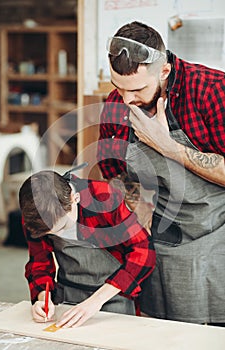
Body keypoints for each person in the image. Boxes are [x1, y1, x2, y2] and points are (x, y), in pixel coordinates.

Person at [96, 21, 225, 325]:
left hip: (217, 237)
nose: (127, 99)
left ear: (164, 71)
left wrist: (168, 147)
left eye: (137, 89)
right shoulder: (117, 105)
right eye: (119, 87)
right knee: (162, 330)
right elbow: (112, 170)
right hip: (161, 238)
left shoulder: (212, 91)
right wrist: (136, 201)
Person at [19, 166, 155, 328]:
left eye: (63, 227)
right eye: (53, 234)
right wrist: (43, 298)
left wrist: (95, 301)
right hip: (68, 292)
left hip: (113, 295)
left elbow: (143, 251)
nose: (61, 235)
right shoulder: (35, 217)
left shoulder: (103, 197)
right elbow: (39, 263)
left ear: (74, 198)